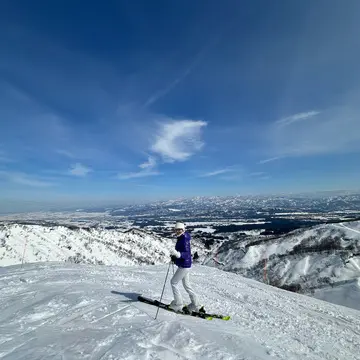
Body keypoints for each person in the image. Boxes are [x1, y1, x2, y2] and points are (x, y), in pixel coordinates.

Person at [168, 222, 201, 313]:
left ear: (183, 230)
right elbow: (182, 253)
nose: (178, 231)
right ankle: (196, 304)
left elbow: (186, 254)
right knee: (187, 285)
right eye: (176, 229)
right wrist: (175, 257)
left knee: (173, 282)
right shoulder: (183, 237)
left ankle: (178, 304)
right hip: (186, 264)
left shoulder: (184, 240)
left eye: (180, 229)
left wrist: (176, 254)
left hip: (184, 265)